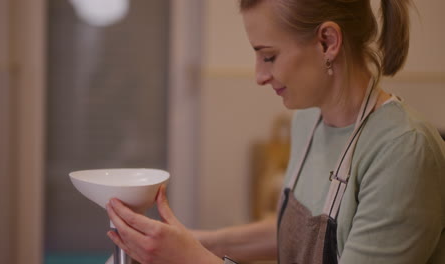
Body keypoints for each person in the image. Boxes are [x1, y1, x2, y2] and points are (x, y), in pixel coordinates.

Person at [105, 0, 445, 263]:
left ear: (328, 42)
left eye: (268, 56)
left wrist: (191, 257)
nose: (259, 76)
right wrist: (189, 242)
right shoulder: (308, 120)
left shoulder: (404, 152)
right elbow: (298, 228)